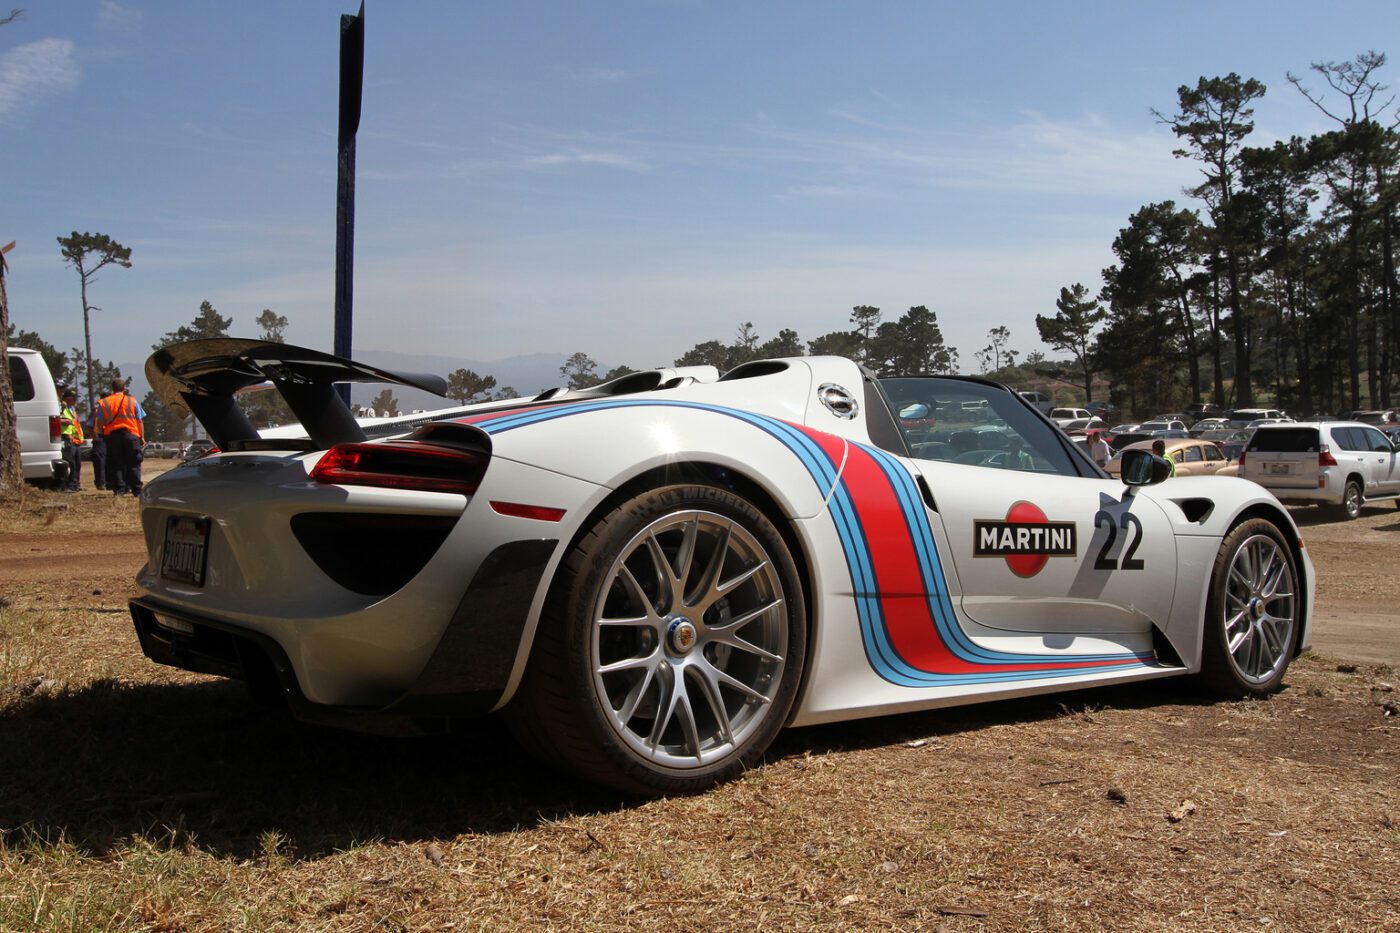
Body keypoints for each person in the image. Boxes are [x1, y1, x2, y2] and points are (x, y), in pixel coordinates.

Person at [93, 378, 146, 497]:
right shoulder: (132, 401)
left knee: (117, 463)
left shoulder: (104, 402)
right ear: (124, 388)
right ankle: (137, 490)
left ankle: (119, 490)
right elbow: (140, 420)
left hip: (113, 436)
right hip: (131, 434)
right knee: (134, 463)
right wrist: (141, 437)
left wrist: (99, 432)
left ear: (112, 388)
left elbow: (100, 422)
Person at [58, 388, 84, 491]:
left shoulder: (72, 410)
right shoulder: (63, 408)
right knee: (70, 463)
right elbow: (57, 419)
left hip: (75, 439)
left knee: (77, 464)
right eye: (73, 399)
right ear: (67, 399)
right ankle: (69, 485)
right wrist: (66, 421)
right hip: (67, 438)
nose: (75, 401)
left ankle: (75, 484)